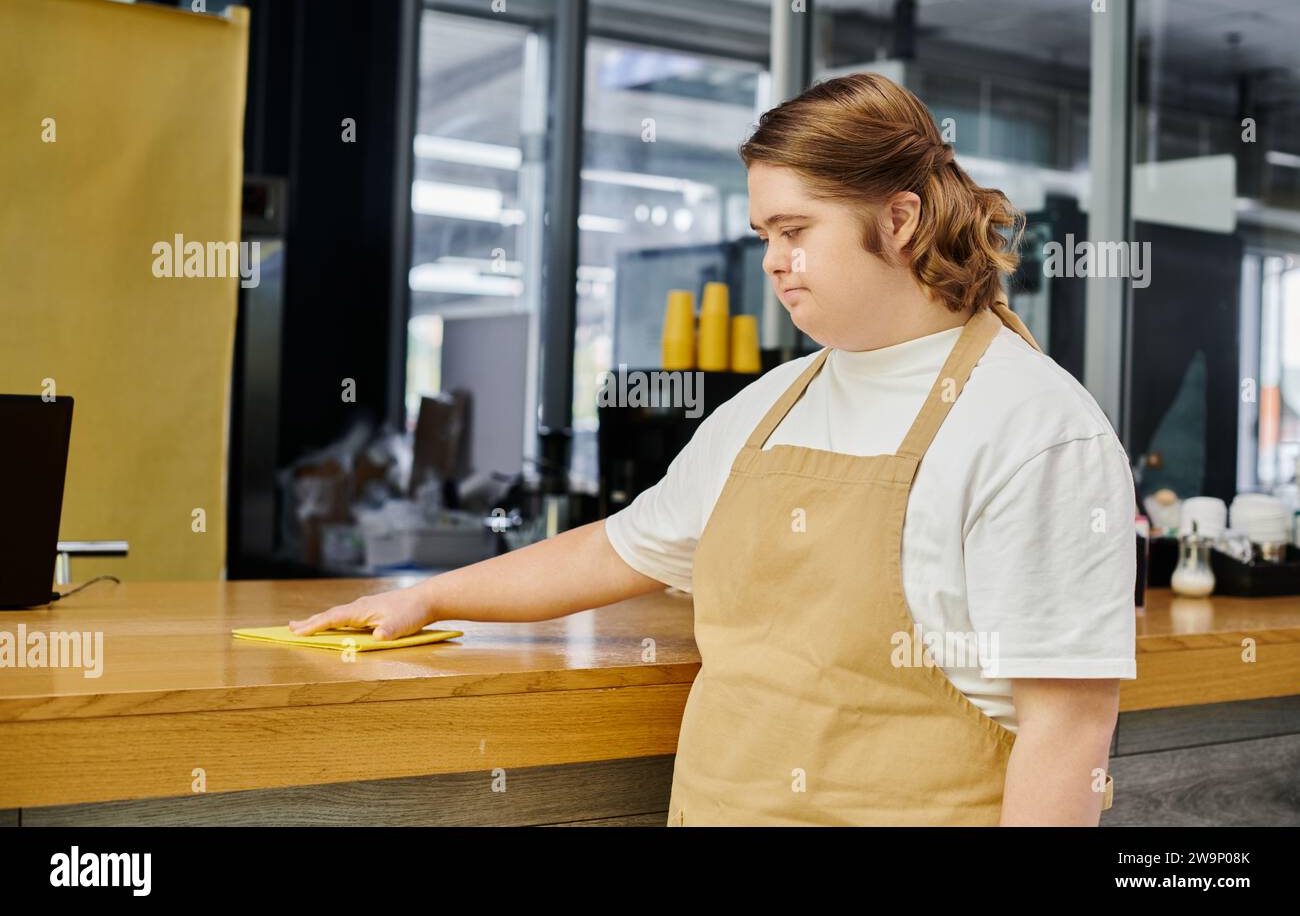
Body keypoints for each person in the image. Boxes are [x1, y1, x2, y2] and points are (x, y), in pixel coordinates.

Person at [290, 72, 1136, 826]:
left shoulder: (1034, 428)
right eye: (764, 234)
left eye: (794, 228)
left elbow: (1068, 737)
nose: (773, 261)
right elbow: (621, 545)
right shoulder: (768, 407)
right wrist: (431, 599)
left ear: (901, 217)